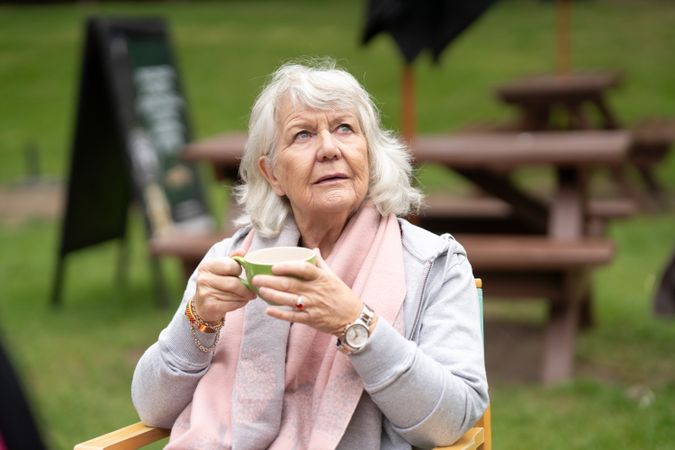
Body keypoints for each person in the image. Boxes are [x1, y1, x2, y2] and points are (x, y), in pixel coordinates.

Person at [132, 60, 488, 449]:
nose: (329, 149)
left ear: (368, 154)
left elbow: (450, 421)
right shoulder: (231, 260)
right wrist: (198, 319)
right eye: (302, 134)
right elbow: (152, 408)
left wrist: (357, 324)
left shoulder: (432, 265)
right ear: (272, 175)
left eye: (345, 129)